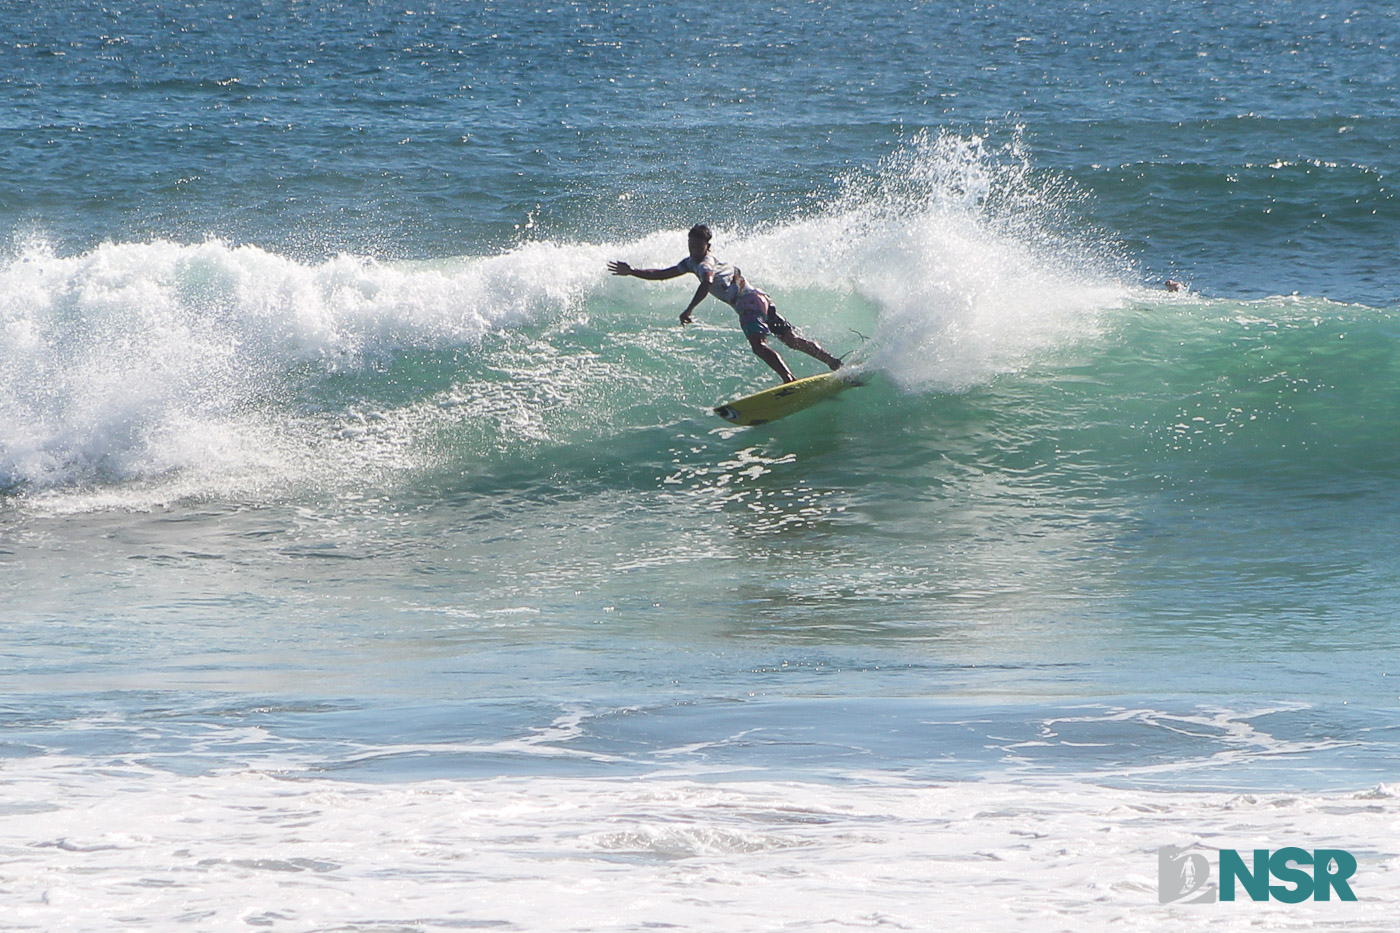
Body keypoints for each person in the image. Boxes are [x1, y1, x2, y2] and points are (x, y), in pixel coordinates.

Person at [608, 224, 842, 384]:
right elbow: (661, 274)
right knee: (791, 341)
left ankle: (789, 381)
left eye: (699, 246)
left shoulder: (705, 264)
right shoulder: (691, 263)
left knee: (759, 346)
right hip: (761, 299)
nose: (694, 250)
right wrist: (633, 271)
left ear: (708, 247)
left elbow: (707, 282)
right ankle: (834, 363)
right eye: (691, 245)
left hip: (749, 305)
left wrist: (689, 309)